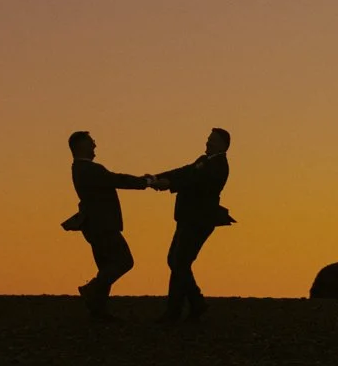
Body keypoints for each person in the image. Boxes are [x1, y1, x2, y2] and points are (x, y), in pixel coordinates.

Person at [150, 127, 233, 322]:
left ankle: (178, 310)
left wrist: (168, 184)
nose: (207, 142)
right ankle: (194, 303)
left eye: (212, 140)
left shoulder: (219, 165)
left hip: (199, 220)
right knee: (176, 261)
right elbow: (184, 171)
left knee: (179, 262)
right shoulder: (204, 161)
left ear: (223, 145)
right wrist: (158, 178)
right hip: (188, 218)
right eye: (208, 139)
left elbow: (195, 181)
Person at [65, 130, 148, 319]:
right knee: (124, 261)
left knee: (106, 265)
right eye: (91, 142)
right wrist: (145, 182)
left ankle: (98, 310)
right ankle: (92, 289)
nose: (95, 145)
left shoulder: (80, 169)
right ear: (81, 146)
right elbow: (118, 180)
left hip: (94, 225)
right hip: (103, 225)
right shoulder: (90, 169)